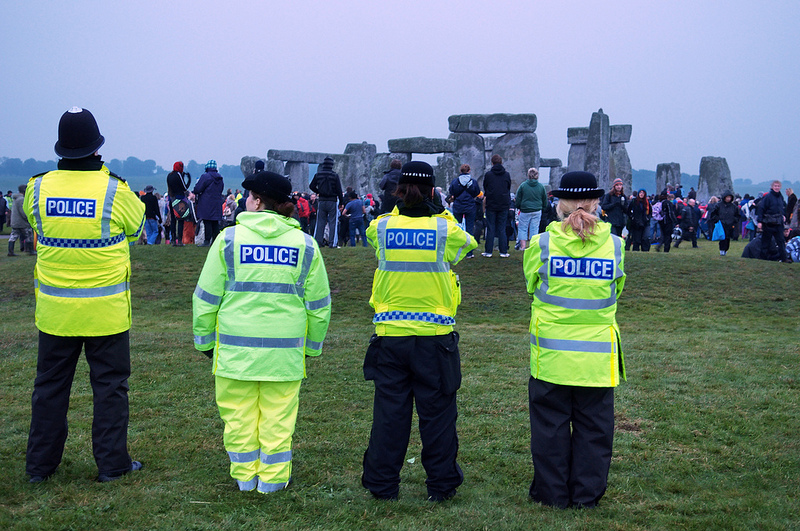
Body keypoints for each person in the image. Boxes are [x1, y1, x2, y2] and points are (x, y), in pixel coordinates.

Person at [23, 107, 146, 483]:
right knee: (110, 390)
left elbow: (34, 221)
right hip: (105, 313)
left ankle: (39, 468)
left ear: (61, 148)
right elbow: (137, 225)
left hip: (56, 312)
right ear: (97, 148)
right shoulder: (115, 190)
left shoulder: (37, 187)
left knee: (49, 389)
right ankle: (112, 465)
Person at [192, 170, 331, 494]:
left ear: (257, 201)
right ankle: (273, 480)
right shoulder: (305, 245)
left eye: (249, 196)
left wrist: (204, 342)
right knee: (278, 419)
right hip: (284, 356)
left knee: (238, 418)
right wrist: (311, 348)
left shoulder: (228, 241)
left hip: (234, 352)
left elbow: (206, 297)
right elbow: (319, 306)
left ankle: (245, 477)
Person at [361, 161, 477, 502]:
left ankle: (382, 485)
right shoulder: (445, 229)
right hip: (435, 337)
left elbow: (376, 232)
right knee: (438, 417)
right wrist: (442, 212)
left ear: (398, 191)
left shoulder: (381, 227)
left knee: (389, 416)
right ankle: (441, 487)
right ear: (433, 191)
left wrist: (399, 208)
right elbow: (467, 243)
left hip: (390, 335)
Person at [523, 171, 626, 509]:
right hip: (597, 358)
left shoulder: (542, 244)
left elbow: (530, 286)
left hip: (551, 355)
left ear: (558, 203)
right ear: (597, 203)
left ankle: (551, 493)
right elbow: (616, 291)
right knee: (594, 430)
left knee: (549, 428)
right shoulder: (615, 246)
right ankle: (586, 495)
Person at [310, 156, 344, 248]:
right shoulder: (334, 175)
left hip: (321, 200)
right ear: (331, 165)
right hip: (332, 200)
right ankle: (332, 243)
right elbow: (339, 190)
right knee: (333, 222)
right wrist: (341, 202)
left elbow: (311, 186)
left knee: (320, 222)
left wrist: (318, 192)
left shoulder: (318, 175)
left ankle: (318, 242)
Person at [482, 154, 512, 257]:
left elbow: (485, 186)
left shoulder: (488, 175)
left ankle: (488, 251)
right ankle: (503, 252)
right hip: (503, 203)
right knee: (502, 228)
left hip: (491, 203)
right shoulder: (506, 175)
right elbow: (508, 187)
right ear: (501, 162)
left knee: (491, 227)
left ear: (492, 163)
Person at [448, 164, 480, 258]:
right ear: (469, 170)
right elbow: (477, 192)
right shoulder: (473, 182)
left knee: (457, 228)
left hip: (458, 206)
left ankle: (457, 250)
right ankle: (469, 252)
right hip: (470, 206)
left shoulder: (455, 181)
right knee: (469, 229)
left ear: (460, 171)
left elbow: (451, 191)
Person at [515, 167, 548, 250]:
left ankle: (523, 246)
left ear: (528, 175)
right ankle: (532, 246)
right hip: (537, 209)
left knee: (523, 228)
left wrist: (518, 206)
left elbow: (518, 198)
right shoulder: (541, 186)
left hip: (525, 209)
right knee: (534, 228)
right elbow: (544, 198)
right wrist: (543, 207)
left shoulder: (523, 186)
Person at [193, 160, 224, 247]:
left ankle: (207, 241)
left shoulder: (205, 177)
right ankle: (215, 241)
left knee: (207, 221)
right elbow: (221, 189)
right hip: (217, 202)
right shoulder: (220, 178)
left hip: (206, 202)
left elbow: (198, 189)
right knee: (215, 222)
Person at [757, 181, 788, 262]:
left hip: (778, 223)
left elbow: (782, 208)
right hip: (768, 223)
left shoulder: (780, 197)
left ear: (780, 187)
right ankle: (763, 259)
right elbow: (761, 208)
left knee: (781, 241)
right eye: (775, 186)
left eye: (778, 186)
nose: (777, 187)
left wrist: (783, 216)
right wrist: (759, 221)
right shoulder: (768, 197)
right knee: (765, 242)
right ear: (772, 187)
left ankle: (784, 258)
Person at [166, 161, 192, 246]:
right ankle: (180, 240)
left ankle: (173, 240)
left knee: (173, 220)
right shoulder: (178, 175)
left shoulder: (169, 176)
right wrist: (188, 179)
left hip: (172, 199)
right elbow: (185, 188)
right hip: (180, 199)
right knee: (180, 220)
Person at [707, 191, 740, 256]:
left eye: (730, 197)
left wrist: (734, 220)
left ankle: (725, 249)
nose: (728, 199)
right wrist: (717, 219)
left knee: (728, 238)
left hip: (730, 224)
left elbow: (737, 215)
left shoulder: (734, 207)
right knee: (722, 237)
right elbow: (713, 214)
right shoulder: (718, 205)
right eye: (727, 197)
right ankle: (722, 249)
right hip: (721, 224)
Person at [8, 184, 35, 256]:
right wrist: (29, 218)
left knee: (13, 236)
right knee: (29, 236)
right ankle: (31, 251)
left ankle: (10, 251)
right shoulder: (21, 199)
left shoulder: (15, 199)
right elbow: (23, 211)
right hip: (22, 223)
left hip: (15, 222)